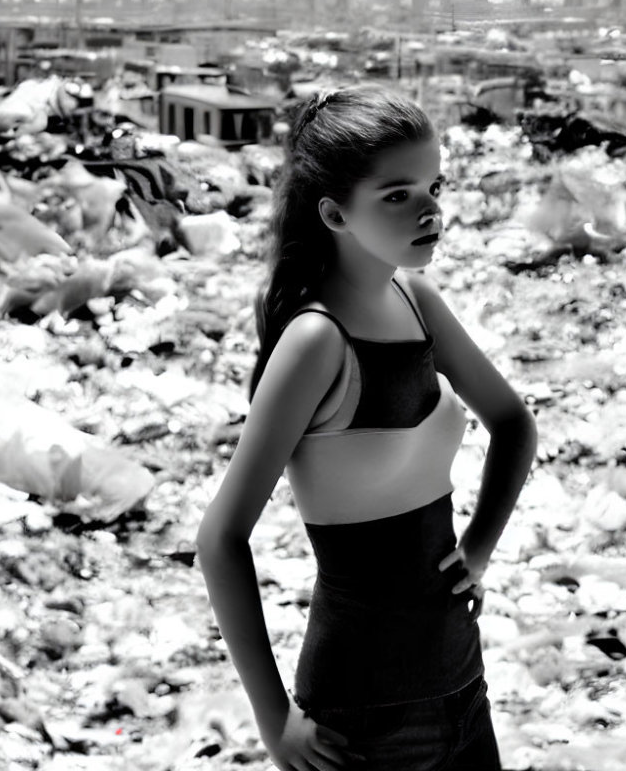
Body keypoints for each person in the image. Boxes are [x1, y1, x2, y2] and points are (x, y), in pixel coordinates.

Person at [196, 85, 537, 771]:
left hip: (462, 685)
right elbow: (220, 539)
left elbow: (513, 425)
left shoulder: (417, 299)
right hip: (363, 717)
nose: (431, 208)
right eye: (397, 194)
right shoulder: (316, 342)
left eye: (434, 185)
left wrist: (478, 548)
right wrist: (273, 720)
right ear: (333, 213)